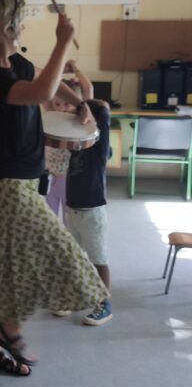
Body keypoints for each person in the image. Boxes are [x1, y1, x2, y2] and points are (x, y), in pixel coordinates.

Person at [0, 0, 109, 374]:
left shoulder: (14, 62)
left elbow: (48, 82)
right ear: (6, 27)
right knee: (60, 254)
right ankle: (8, 331)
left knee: (9, 269)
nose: (24, 27)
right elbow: (41, 92)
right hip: (8, 186)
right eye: (21, 22)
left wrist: (79, 104)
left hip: (25, 180)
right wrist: (63, 42)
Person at [65, 96, 113, 325]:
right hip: (72, 210)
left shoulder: (99, 146)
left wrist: (92, 110)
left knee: (98, 260)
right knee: (72, 257)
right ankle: (74, 296)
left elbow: (103, 113)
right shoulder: (77, 144)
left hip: (92, 213)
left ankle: (104, 304)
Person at [44, 60, 94, 220]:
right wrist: (59, 72)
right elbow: (45, 86)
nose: (62, 108)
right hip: (49, 178)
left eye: (67, 104)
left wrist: (76, 69)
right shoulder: (52, 114)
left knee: (70, 222)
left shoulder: (82, 119)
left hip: (71, 181)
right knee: (49, 221)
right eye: (57, 104)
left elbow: (88, 88)